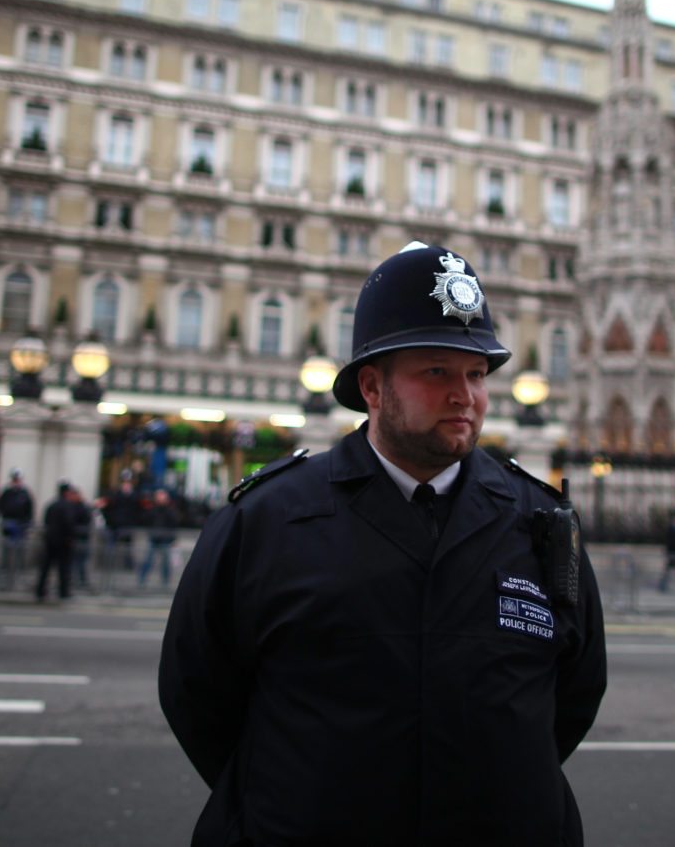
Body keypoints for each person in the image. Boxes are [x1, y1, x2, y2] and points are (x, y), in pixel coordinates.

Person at [160, 242, 607, 846]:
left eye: (477, 374)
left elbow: (575, 692)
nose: (465, 395)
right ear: (372, 388)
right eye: (436, 372)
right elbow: (196, 691)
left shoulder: (539, 520)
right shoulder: (268, 519)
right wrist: (290, 799)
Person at [35, 482, 82, 602]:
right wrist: (70, 537)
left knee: (46, 567)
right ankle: (63, 591)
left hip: (50, 540)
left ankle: (40, 590)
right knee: (64, 568)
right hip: (63, 541)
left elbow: (46, 520)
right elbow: (69, 523)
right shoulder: (68, 506)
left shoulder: (52, 505)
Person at [136, 489, 178, 587]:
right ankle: (142, 579)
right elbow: (145, 519)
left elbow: (174, 522)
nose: (161, 499)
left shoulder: (170, 509)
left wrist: (173, 539)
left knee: (165, 561)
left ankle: (165, 581)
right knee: (148, 559)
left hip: (165, 538)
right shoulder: (153, 509)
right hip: (154, 537)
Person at [0, 469, 34, 571]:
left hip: (21, 524)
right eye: (14, 480)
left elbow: (29, 509)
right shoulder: (7, 492)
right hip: (8, 523)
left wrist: (27, 521)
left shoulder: (24, 493)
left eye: (17, 480)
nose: (16, 482)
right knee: (7, 547)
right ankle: (5, 566)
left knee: (20, 547)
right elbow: (0, 506)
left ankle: (20, 567)